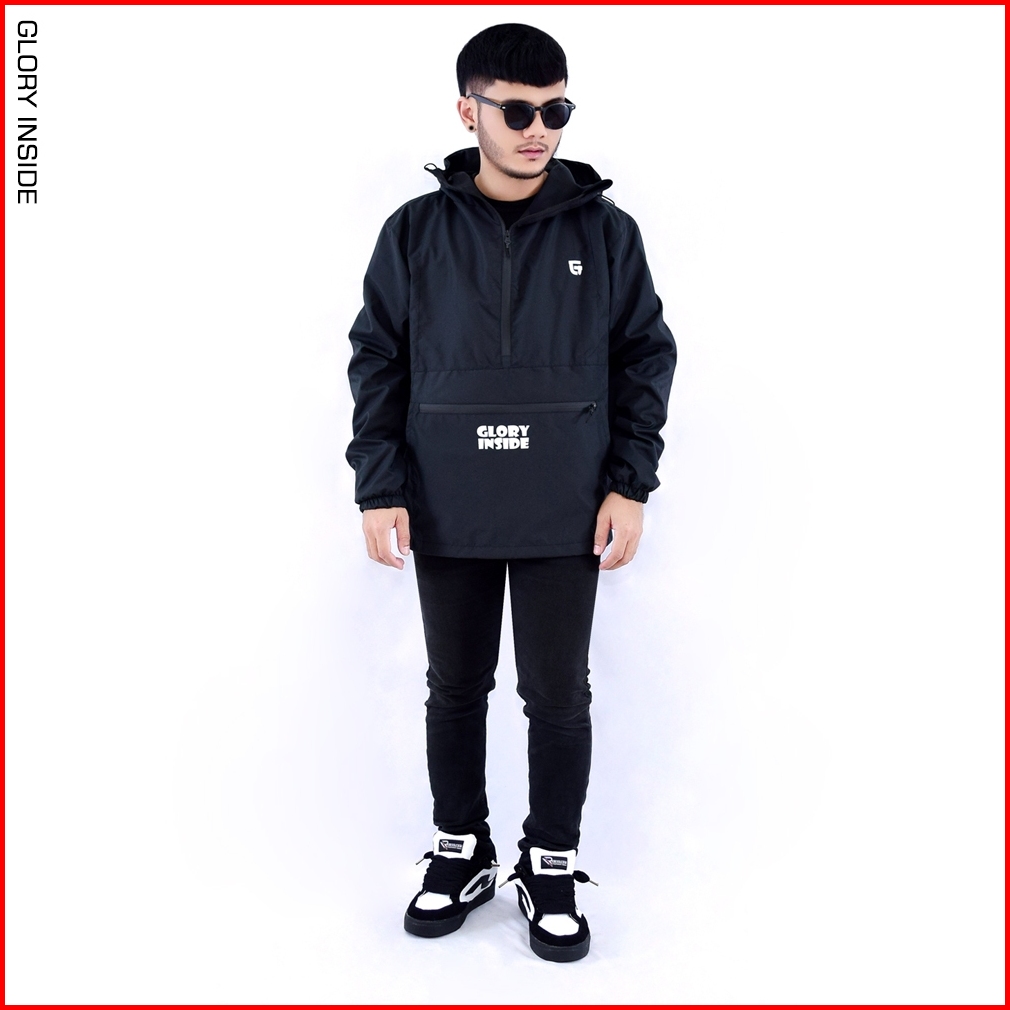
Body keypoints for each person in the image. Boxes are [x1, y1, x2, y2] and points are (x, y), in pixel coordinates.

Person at [345, 22, 677, 963]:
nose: (540, 130)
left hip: (565, 503)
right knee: (454, 687)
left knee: (557, 693)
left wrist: (629, 484)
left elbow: (645, 356)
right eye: (520, 111)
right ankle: (462, 848)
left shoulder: (606, 234)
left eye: (556, 111)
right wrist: (380, 486)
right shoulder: (415, 232)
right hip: (445, 499)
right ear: (470, 112)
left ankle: (551, 858)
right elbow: (378, 359)